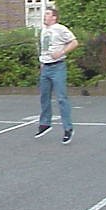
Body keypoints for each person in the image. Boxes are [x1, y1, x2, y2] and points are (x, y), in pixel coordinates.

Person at [35, 8, 79, 144]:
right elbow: (44, 49)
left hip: (57, 67)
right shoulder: (43, 30)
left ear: (54, 17)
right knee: (44, 97)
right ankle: (45, 123)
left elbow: (74, 42)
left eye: (48, 14)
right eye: (45, 14)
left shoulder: (60, 28)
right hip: (45, 67)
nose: (45, 16)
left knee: (61, 98)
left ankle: (68, 128)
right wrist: (42, 63)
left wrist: (61, 52)